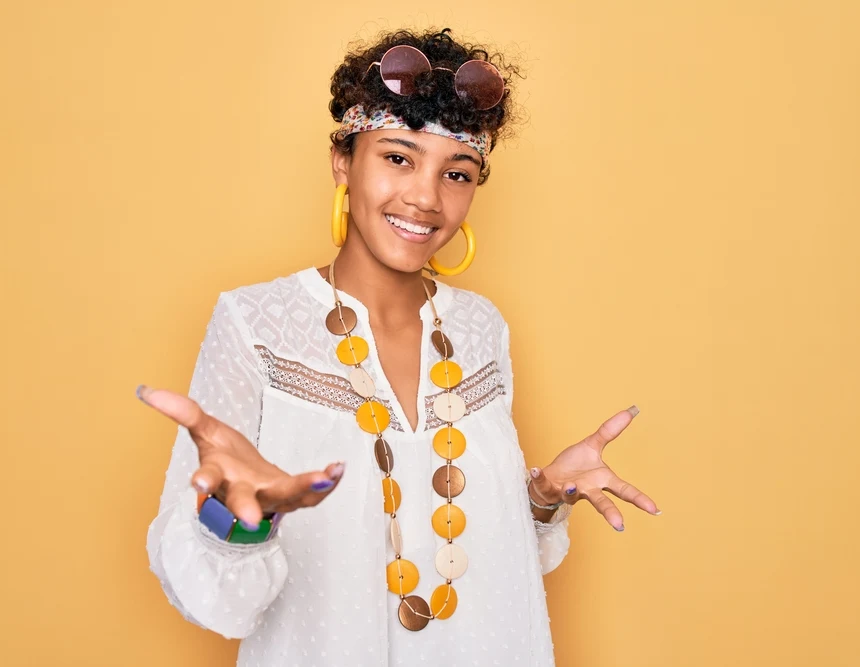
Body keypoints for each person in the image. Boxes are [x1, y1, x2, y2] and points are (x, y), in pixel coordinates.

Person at [139, 27, 660, 667]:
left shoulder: (480, 330)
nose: (425, 197)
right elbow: (214, 598)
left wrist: (541, 496)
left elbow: (461, 543)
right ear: (343, 160)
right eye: (398, 158)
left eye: (457, 173)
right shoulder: (255, 323)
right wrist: (245, 519)